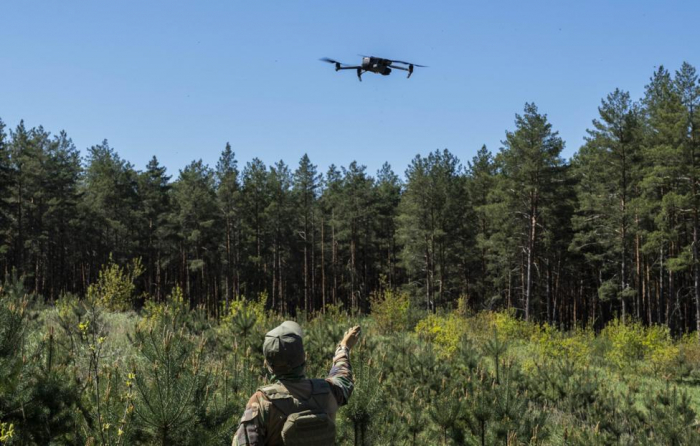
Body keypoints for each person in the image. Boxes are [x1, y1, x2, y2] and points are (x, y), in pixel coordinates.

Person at [233, 321, 361, 446]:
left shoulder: (261, 401)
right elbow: (343, 377)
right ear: (304, 357)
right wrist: (344, 347)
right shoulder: (327, 391)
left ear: (268, 364)